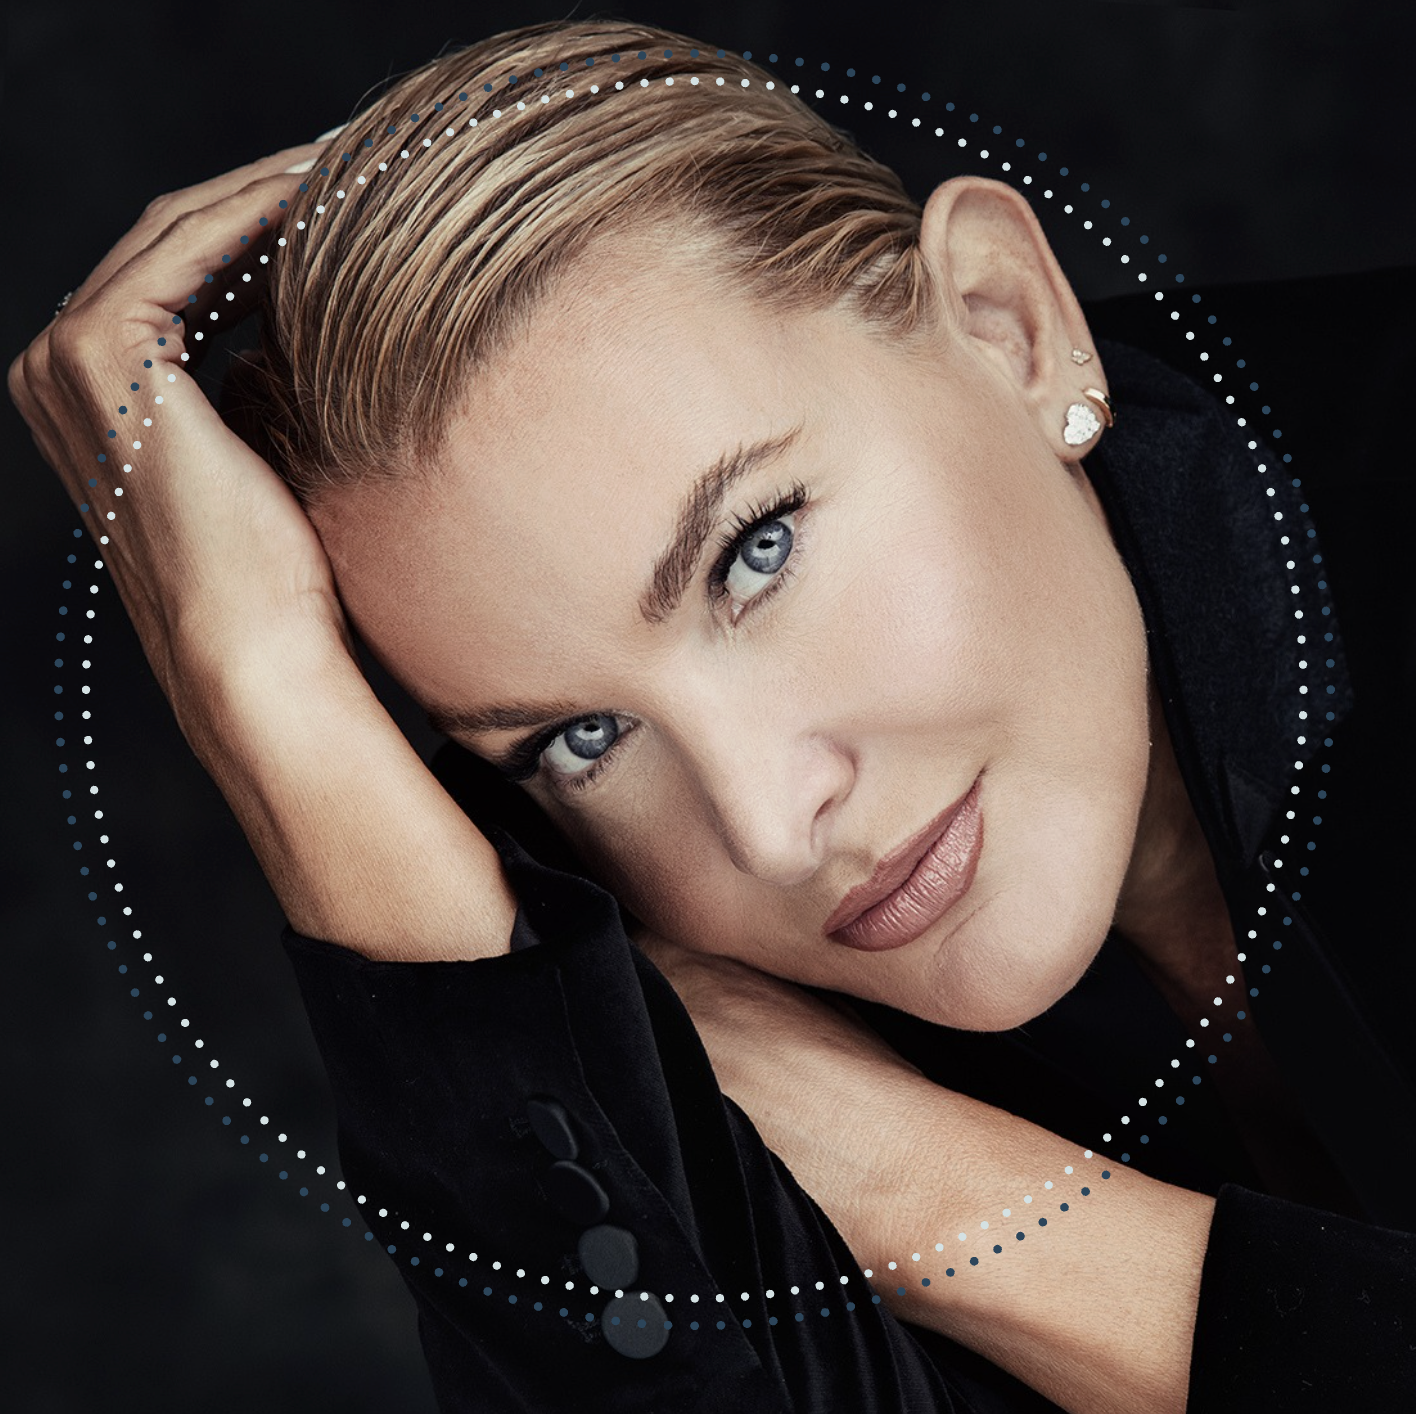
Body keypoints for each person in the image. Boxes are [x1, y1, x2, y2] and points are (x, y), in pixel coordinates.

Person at [10, 18, 1416, 1413]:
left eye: (758, 550)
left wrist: (916, 1180)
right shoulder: (608, 981)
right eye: (581, 738)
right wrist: (275, 705)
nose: (765, 819)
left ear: (1011, 326)